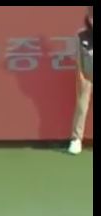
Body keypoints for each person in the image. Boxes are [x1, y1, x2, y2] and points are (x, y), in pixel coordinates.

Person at [69, 6, 92, 155]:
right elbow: (78, 58)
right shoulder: (81, 35)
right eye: (91, 16)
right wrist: (81, 76)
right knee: (82, 106)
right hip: (87, 76)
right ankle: (76, 139)